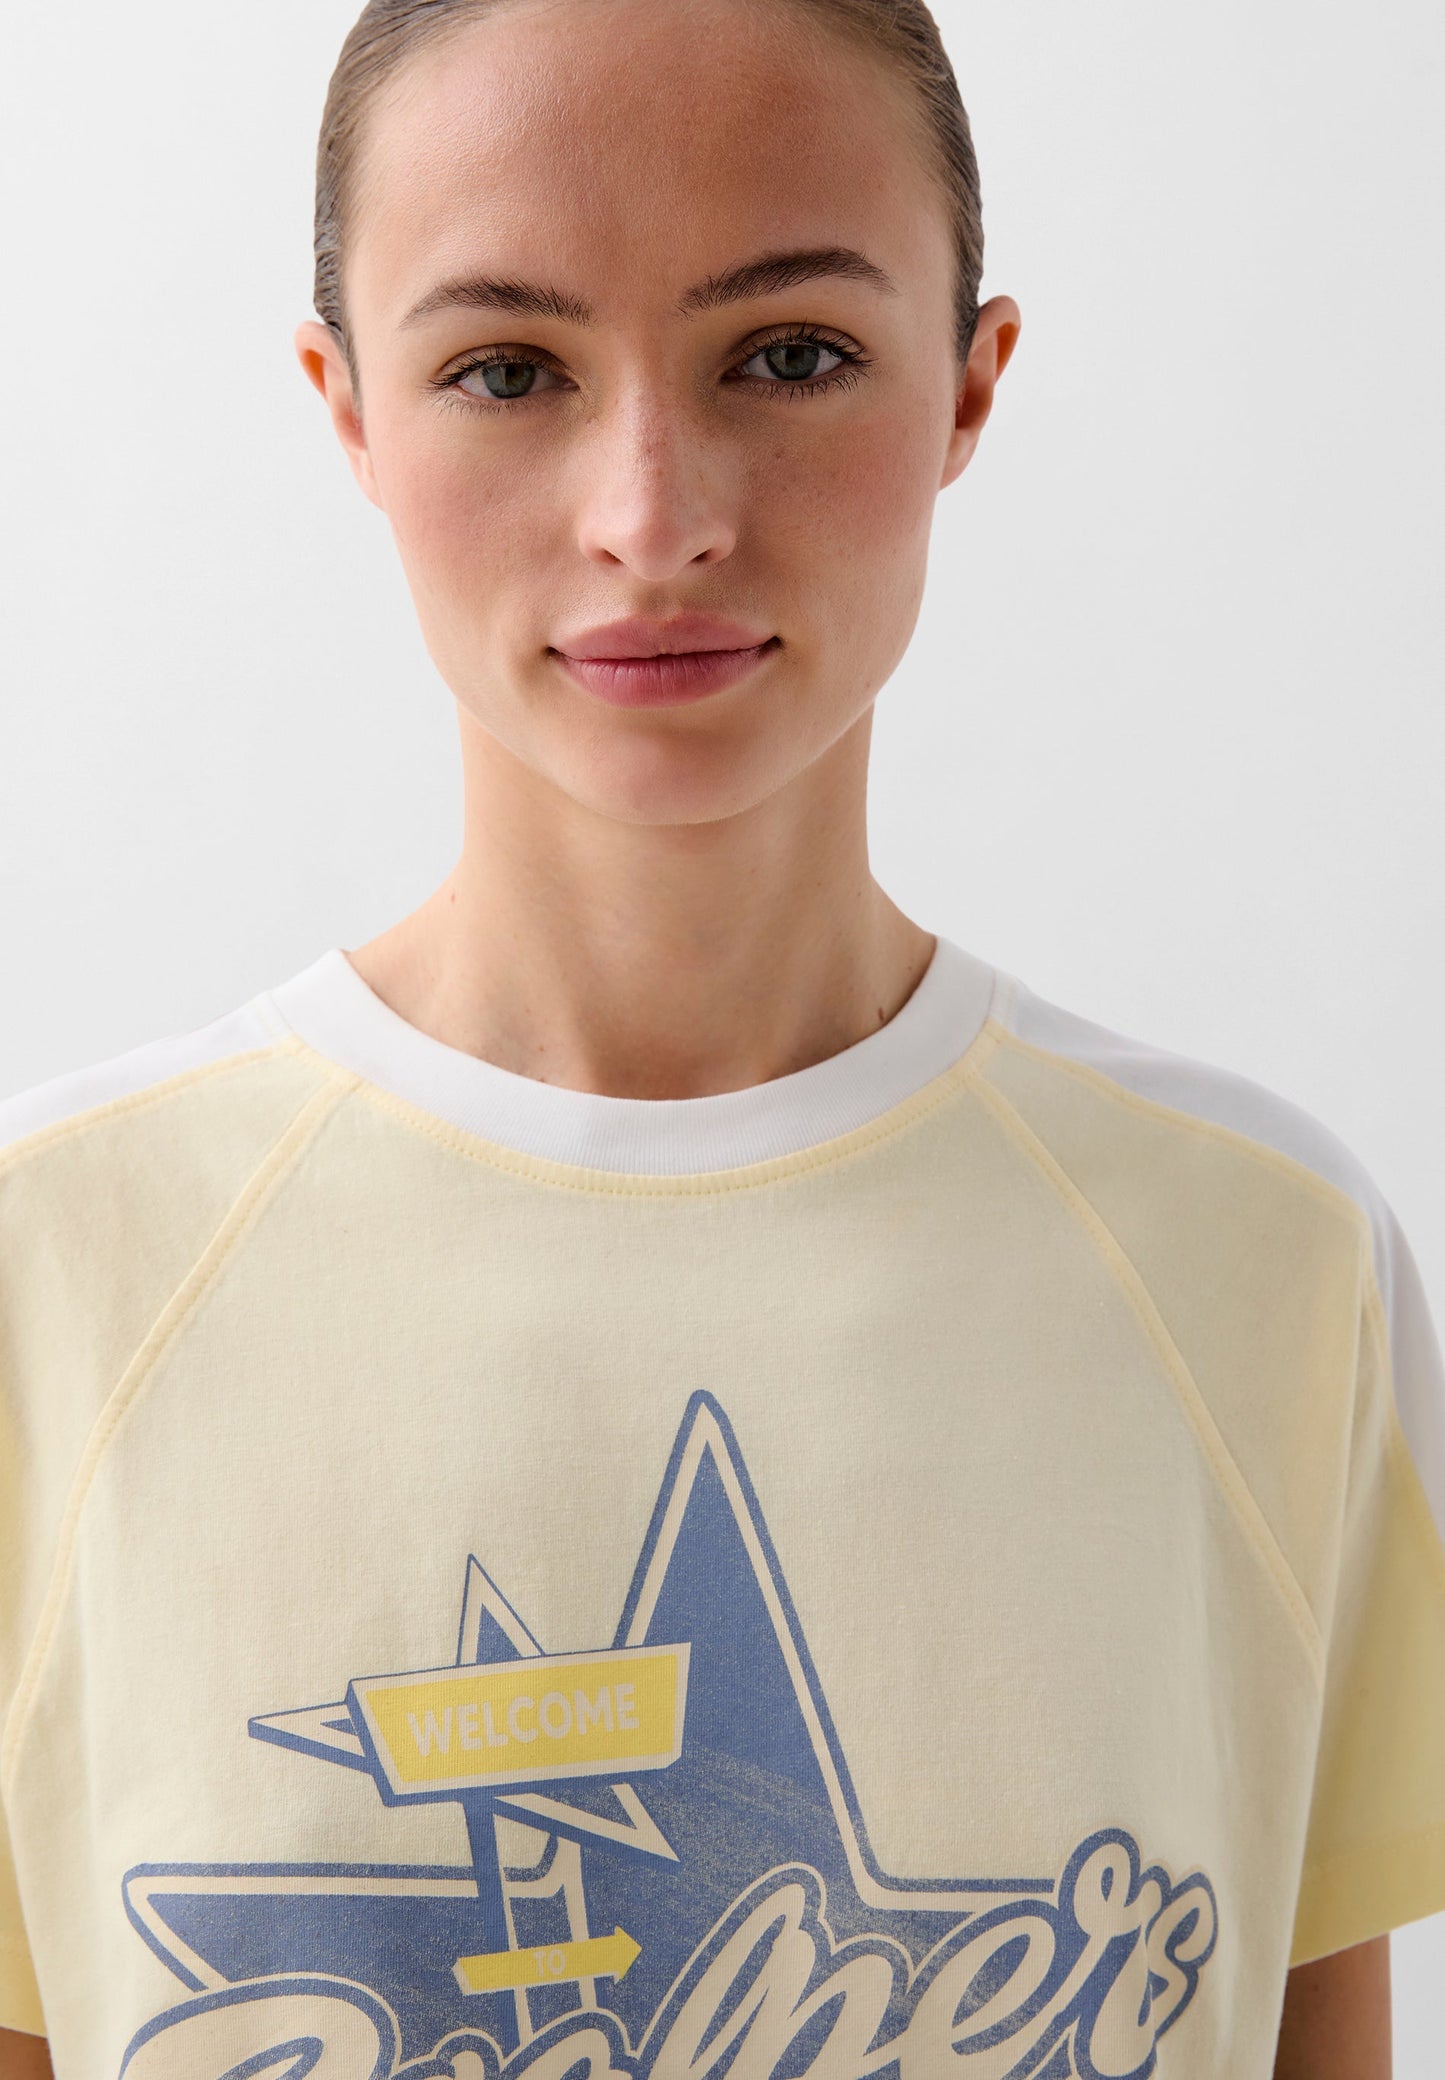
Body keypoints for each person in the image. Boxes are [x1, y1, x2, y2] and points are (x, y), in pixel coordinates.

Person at [1, 0, 1440, 2072]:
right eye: (508, 370)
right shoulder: (53, 1280)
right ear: (349, 411)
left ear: (970, 381)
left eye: (788, 355)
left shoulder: (1268, 1268)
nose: (652, 516)